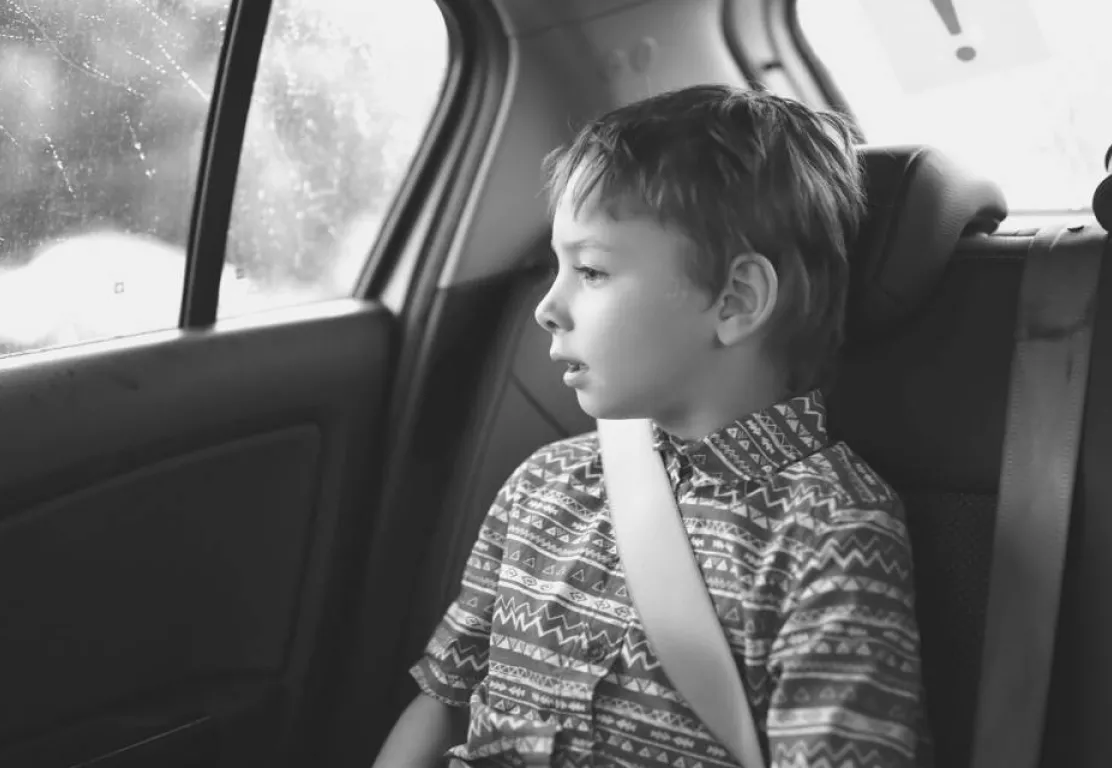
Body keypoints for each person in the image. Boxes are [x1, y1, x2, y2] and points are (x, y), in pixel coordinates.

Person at [372, 84, 926, 768]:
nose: (547, 306)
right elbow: (443, 699)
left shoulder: (832, 535)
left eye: (593, 271)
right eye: (557, 266)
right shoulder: (542, 486)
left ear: (736, 299)